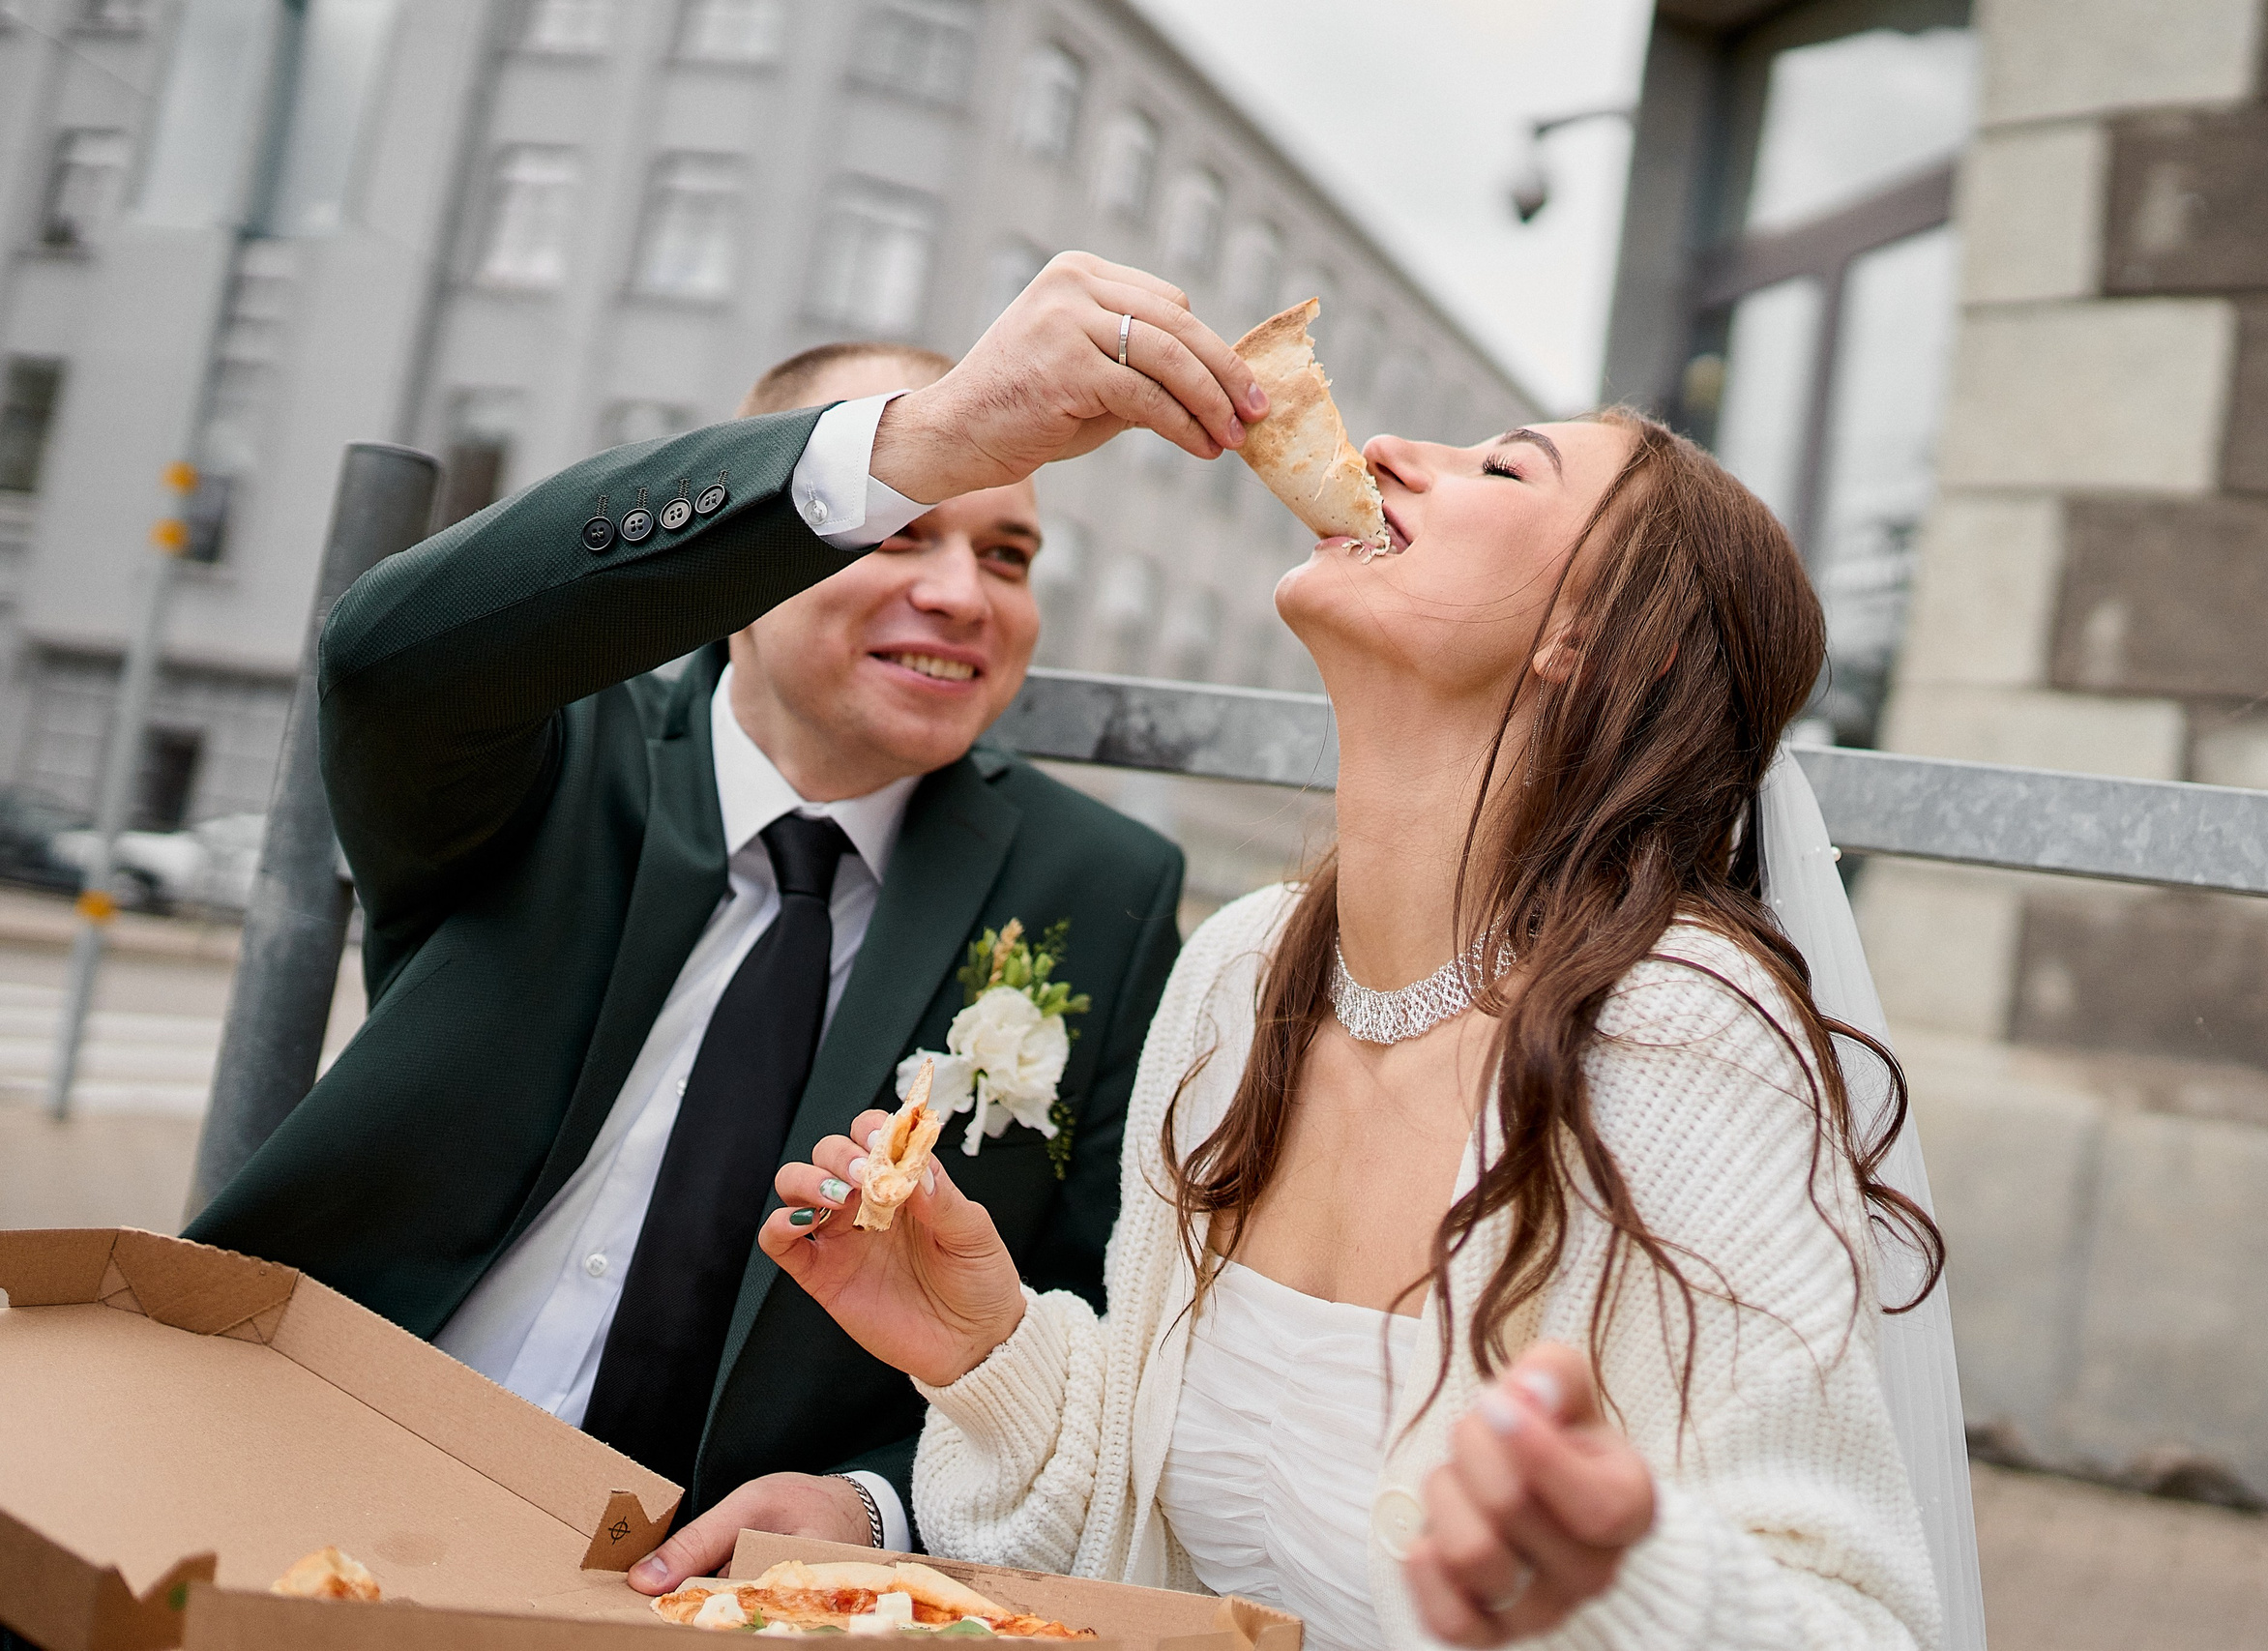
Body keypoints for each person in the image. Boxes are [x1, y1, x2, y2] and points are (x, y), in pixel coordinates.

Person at [762, 409, 1949, 1649]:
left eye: (1504, 467)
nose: (1383, 451)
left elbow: (1849, 1625)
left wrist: (1620, 1585)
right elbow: (1157, 1536)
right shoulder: (1239, 973)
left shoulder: (1675, 1036)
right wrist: (987, 1354)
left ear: (1598, 642)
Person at [186, 253, 1270, 1580]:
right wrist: (922, 441)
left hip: (706, 1596)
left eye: (1009, 554)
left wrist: (874, 1506)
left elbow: (1097, 1313)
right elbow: (380, 656)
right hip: (303, 1476)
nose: (963, 594)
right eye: (902, 528)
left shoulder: (1098, 884)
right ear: (758, 551)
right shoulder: (550, 751)